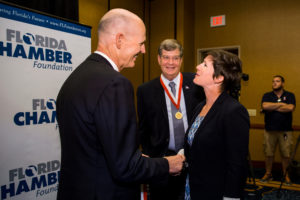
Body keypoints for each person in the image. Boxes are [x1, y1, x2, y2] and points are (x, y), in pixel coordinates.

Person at [56, 8, 185, 200]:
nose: (143, 50)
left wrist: (132, 158)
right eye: (141, 43)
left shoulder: (76, 77)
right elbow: (125, 168)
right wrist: (168, 164)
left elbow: (96, 147)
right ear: (119, 40)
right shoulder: (115, 84)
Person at [137, 39, 205, 200]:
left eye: (175, 58)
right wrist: (151, 159)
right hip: (162, 161)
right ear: (159, 59)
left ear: (181, 60)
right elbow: (144, 128)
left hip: (194, 156)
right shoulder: (145, 90)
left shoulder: (196, 83)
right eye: (166, 57)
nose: (171, 63)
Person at [184, 50, 250, 200]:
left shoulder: (234, 111)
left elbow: (237, 163)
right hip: (193, 187)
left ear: (219, 77)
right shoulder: (200, 107)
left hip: (215, 191)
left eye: (205, 65)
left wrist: (231, 197)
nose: (197, 66)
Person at [260, 75, 296, 185]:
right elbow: (265, 106)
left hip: (285, 130)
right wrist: (280, 104)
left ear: (283, 83)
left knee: (286, 154)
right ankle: (268, 174)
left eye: (277, 81)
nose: (274, 83)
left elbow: (290, 108)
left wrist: (273, 107)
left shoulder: (289, 95)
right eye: (273, 81)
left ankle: (286, 175)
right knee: (269, 153)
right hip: (269, 130)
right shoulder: (267, 95)